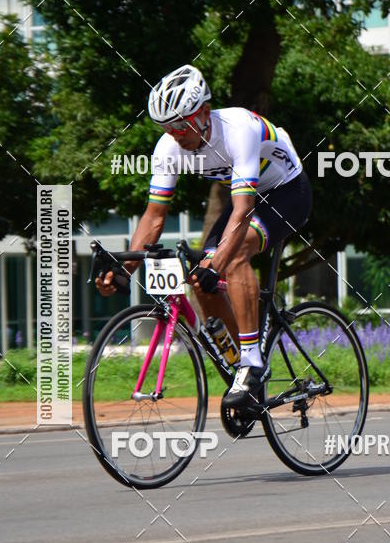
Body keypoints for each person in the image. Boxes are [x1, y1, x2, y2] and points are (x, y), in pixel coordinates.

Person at [96, 64, 312, 406]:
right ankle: (244, 368)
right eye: (167, 127)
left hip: (288, 191)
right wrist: (124, 270)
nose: (175, 134)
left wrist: (219, 262)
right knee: (201, 278)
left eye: (181, 124)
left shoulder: (239, 129)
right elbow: (154, 216)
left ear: (204, 112)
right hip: (250, 196)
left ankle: (252, 363)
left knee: (232, 256)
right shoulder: (169, 148)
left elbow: (242, 212)